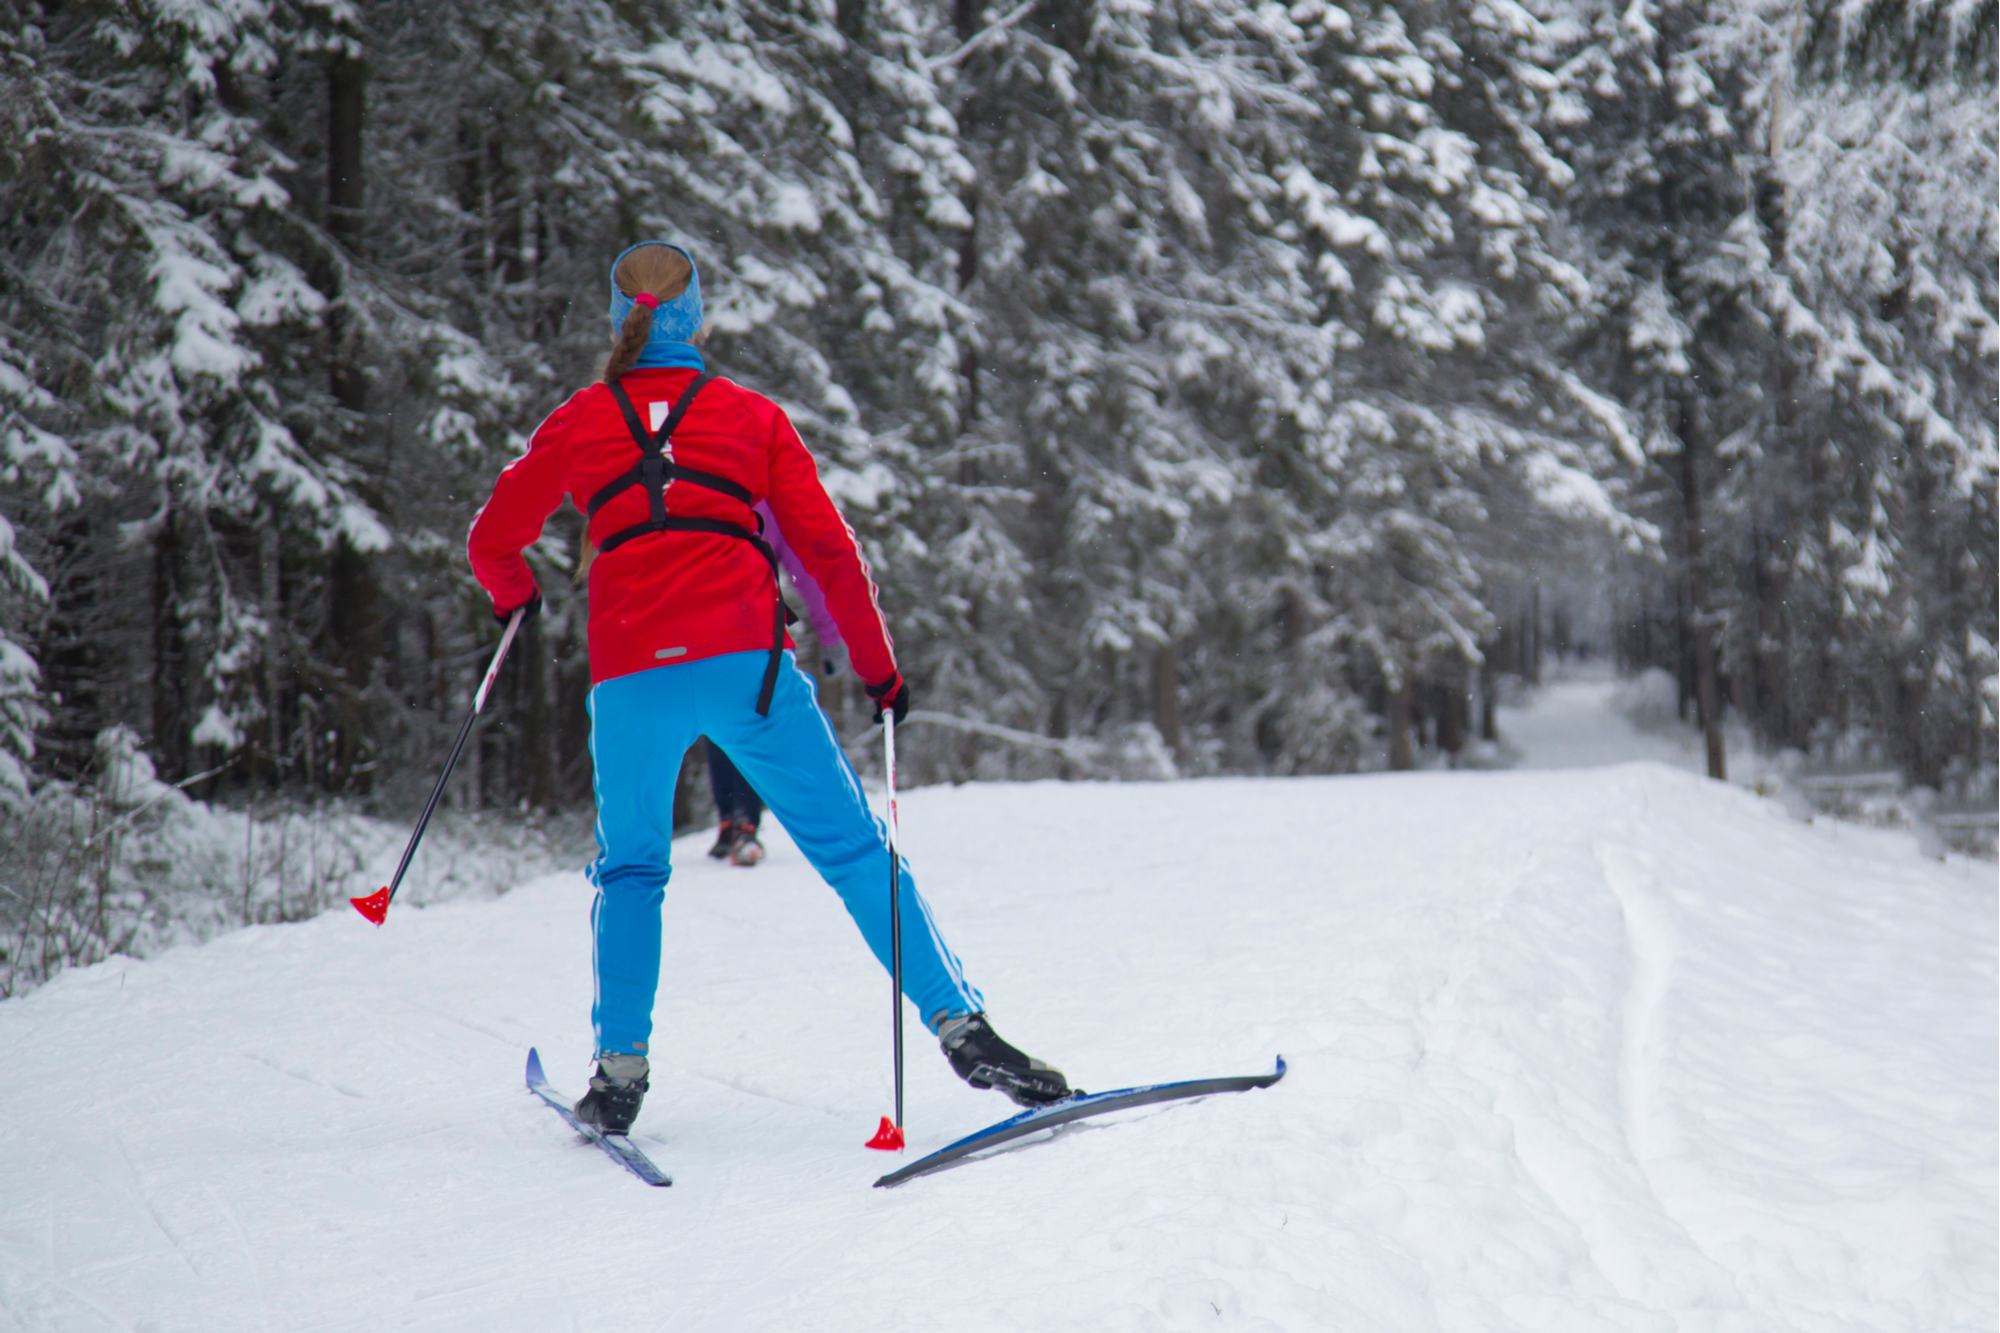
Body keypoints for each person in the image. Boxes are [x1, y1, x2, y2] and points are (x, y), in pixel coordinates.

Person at [467, 240, 1068, 1134]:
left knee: (631, 869)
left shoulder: (580, 421)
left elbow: (491, 540)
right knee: (857, 853)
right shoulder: (752, 418)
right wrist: (879, 670)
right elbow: (829, 552)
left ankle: (620, 1075)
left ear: (616, 319)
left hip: (632, 678)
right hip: (745, 668)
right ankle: (963, 1026)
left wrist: (519, 598)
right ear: (696, 315)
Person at [703, 500, 848, 869]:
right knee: (748, 725)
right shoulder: (762, 497)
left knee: (719, 725)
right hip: (750, 628)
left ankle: (732, 821)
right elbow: (804, 570)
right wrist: (831, 635)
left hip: (699, 631)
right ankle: (742, 823)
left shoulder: (681, 480)